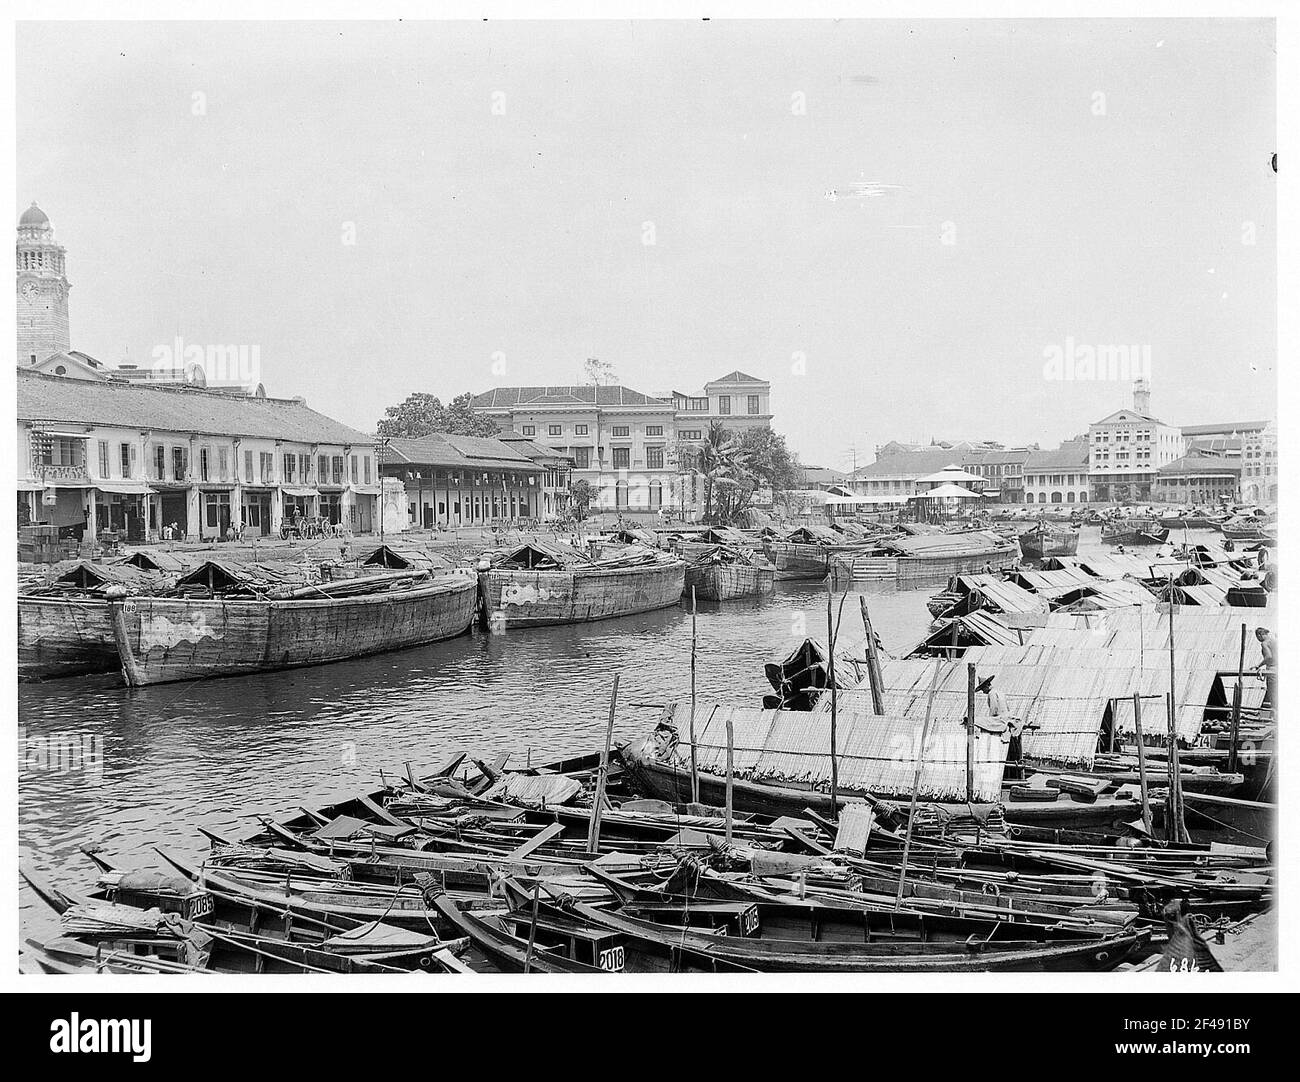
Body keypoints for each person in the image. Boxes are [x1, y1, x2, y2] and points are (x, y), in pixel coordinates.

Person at [1254, 627, 1277, 710]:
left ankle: (1275, 717)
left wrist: (1258, 665)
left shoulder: (1264, 643)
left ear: (1259, 635)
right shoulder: (1275, 641)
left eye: (1257, 637)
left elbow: (1268, 657)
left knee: (1273, 694)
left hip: (1272, 669)